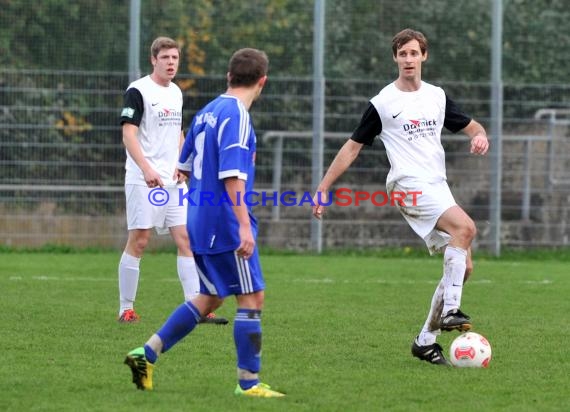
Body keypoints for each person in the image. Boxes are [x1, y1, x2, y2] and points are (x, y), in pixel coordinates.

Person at [312, 29, 490, 366]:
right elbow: (352, 148)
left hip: (437, 184)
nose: (408, 59)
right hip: (407, 184)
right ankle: (451, 310)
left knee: (463, 267)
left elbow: (472, 126)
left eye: (413, 53)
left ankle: (425, 340)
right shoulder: (383, 103)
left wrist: (480, 137)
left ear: (424, 56)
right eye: (402, 54)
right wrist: (323, 187)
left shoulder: (437, 96)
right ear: (395, 58)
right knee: (465, 228)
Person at [124, 48, 285, 397]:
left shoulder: (207, 112)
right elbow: (232, 177)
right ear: (263, 81)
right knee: (252, 298)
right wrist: (243, 225)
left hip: (198, 219)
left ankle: (145, 352)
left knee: (209, 299)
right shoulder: (237, 116)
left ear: (229, 77)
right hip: (225, 223)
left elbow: (181, 167)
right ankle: (249, 383)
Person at [118, 36, 226, 325]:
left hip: (174, 180)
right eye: (165, 58)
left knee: (187, 239)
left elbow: (178, 132)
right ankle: (125, 308)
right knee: (139, 241)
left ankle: (195, 307)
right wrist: (146, 169)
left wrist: (183, 164)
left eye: (175, 58)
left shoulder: (176, 92)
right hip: (144, 180)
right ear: (153, 59)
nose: (170, 63)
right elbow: (128, 134)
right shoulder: (138, 90)